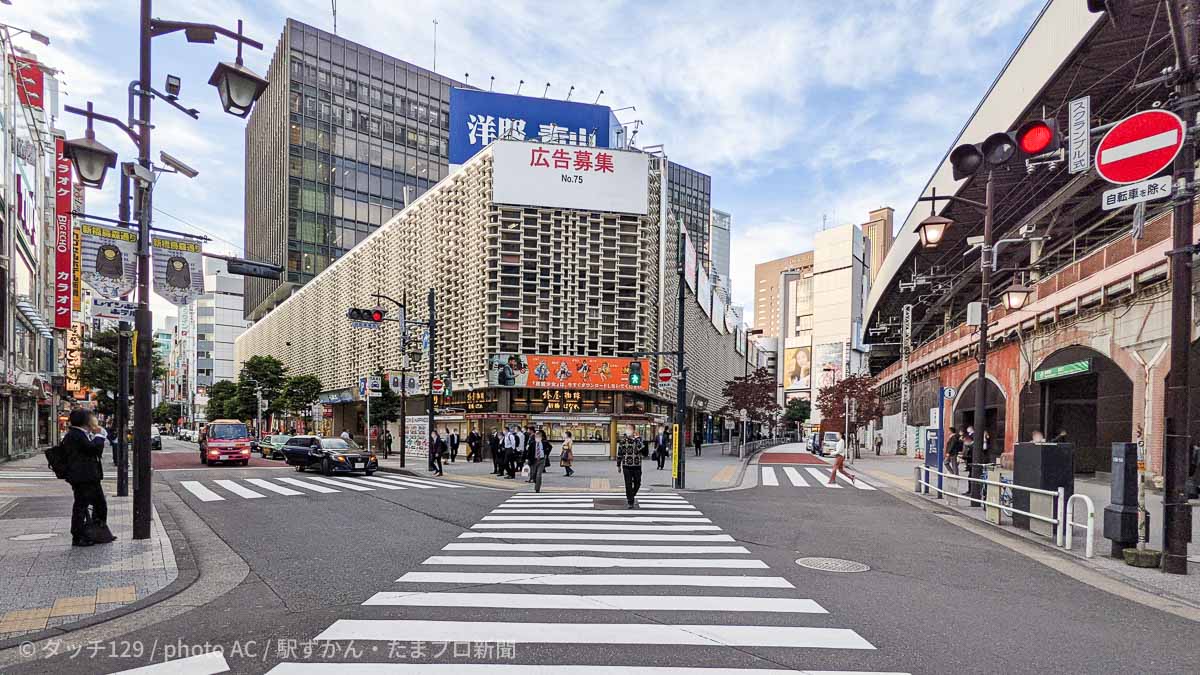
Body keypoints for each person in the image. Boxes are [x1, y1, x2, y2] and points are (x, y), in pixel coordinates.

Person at [63, 409, 113, 547]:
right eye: (91, 418)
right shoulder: (76, 435)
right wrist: (100, 437)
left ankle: (98, 532)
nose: (94, 420)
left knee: (99, 504)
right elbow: (93, 449)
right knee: (81, 506)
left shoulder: (79, 434)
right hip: (83, 477)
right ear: (85, 420)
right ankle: (78, 536)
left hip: (89, 476)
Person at [616, 425, 646, 509]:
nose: (628, 430)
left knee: (638, 483)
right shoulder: (622, 441)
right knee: (628, 484)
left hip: (637, 465)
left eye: (630, 429)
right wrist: (618, 465)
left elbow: (643, 449)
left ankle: (631, 495)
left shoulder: (638, 440)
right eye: (627, 429)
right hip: (626, 465)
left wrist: (637, 439)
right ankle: (630, 501)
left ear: (633, 430)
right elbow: (620, 453)